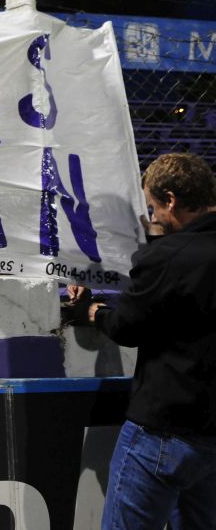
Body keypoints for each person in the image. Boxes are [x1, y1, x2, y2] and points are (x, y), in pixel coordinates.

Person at [69, 152, 216, 530]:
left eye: (152, 208)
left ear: (170, 200)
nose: (151, 218)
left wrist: (92, 311)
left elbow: (128, 327)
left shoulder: (169, 256)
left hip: (165, 429)